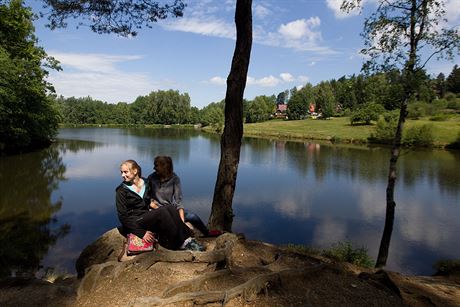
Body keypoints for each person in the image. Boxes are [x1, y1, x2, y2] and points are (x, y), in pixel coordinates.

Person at [115, 159, 203, 252]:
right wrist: (141, 233)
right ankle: (178, 243)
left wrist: (164, 210)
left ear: (135, 171)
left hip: (145, 216)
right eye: (121, 172)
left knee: (169, 207)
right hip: (135, 220)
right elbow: (122, 217)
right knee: (162, 212)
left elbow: (148, 201)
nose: (123, 175)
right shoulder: (121, 191)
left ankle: (187, 238)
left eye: (125, 172)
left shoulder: (145, 183)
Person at [147, 156, 218, 237]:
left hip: (170, 210)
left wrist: (181, 221)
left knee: (193, 216)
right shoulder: (151, 178)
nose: (154, 168)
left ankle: (207, 233)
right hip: (155, 210)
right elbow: (146, 196)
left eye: (156, 165)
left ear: (164, 166)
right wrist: (152, 204)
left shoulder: (175, 179)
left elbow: (179, 201)